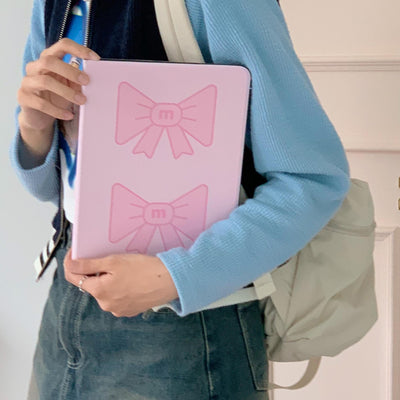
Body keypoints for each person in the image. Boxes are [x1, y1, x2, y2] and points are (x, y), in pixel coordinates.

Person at [10, 0, 351, 399]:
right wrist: (34, 127)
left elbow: (312, 180)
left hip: (182, 322)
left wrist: (175, 277)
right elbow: (49, 188)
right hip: (65, 301)